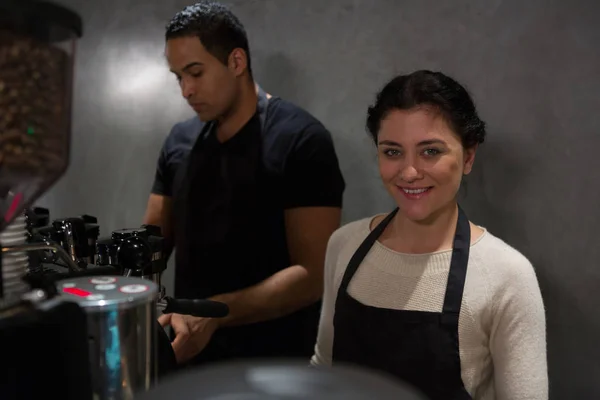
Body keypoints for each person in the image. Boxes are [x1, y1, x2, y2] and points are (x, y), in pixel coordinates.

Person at [310, 70, 548, 400]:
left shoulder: (508, 276)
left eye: (431, 151)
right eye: (392, 151)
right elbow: (324, 368)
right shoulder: (344, 245)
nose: (409, 172)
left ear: (468, 156)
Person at [144, 1, 345, 366]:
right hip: (188, 354)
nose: (186, 90)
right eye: (178, 77)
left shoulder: (301, 139)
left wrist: (216, 312)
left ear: (236, 62)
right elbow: (150, 244)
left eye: (195, 72)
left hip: (275, 361)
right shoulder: (179, 141)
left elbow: (313, 274)